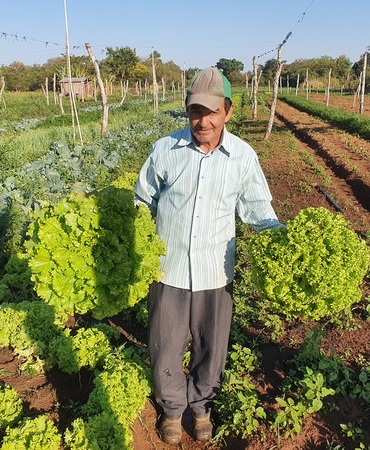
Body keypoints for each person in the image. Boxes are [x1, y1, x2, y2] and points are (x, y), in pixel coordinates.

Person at [134, 67, 282, 445]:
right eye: (196, 112)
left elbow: (258, 210)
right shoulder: (165, 149)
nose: (203, 120)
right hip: (169, 271)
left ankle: (201, 408)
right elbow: (141, 201)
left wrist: (283, 242)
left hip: (216, 273)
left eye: (212, 112)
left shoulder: (243, 157)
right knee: (164, 346)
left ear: (228, 112)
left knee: (210, 349)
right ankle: (170, 409)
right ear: (187, 113)